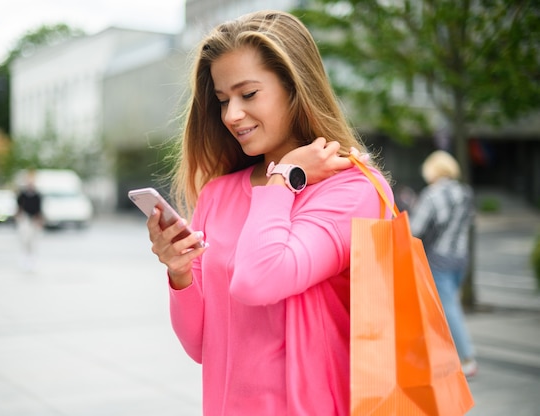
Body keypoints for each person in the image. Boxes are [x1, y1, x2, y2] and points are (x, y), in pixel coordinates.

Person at [142, 10, 394, 415]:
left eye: (248, 94)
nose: (231, 115)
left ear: (295, 87)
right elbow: (201, 346)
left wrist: (283, 179)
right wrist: (180, 272)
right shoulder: (219, 195)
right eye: (223, 100)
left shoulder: (353, 190)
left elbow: (259, 280)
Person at [409, 150, 478, 378]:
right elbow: (470, 223)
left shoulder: (431, 195)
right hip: (460, 257)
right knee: (443, 307)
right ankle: (441, 356)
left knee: (448, 309)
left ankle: (467, 358)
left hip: (438, 259)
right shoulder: (465, 192)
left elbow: (415, 230)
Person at [16, 170, 43, 272]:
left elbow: (39, 209)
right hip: (25, 219)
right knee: (24, 239)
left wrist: (39, 220)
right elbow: (19, 206)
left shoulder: (38, 195)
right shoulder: (22, 194)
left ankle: (32, 259)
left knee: (33, 240)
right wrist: (19, 216)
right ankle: (24, 258)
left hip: (34, 220)